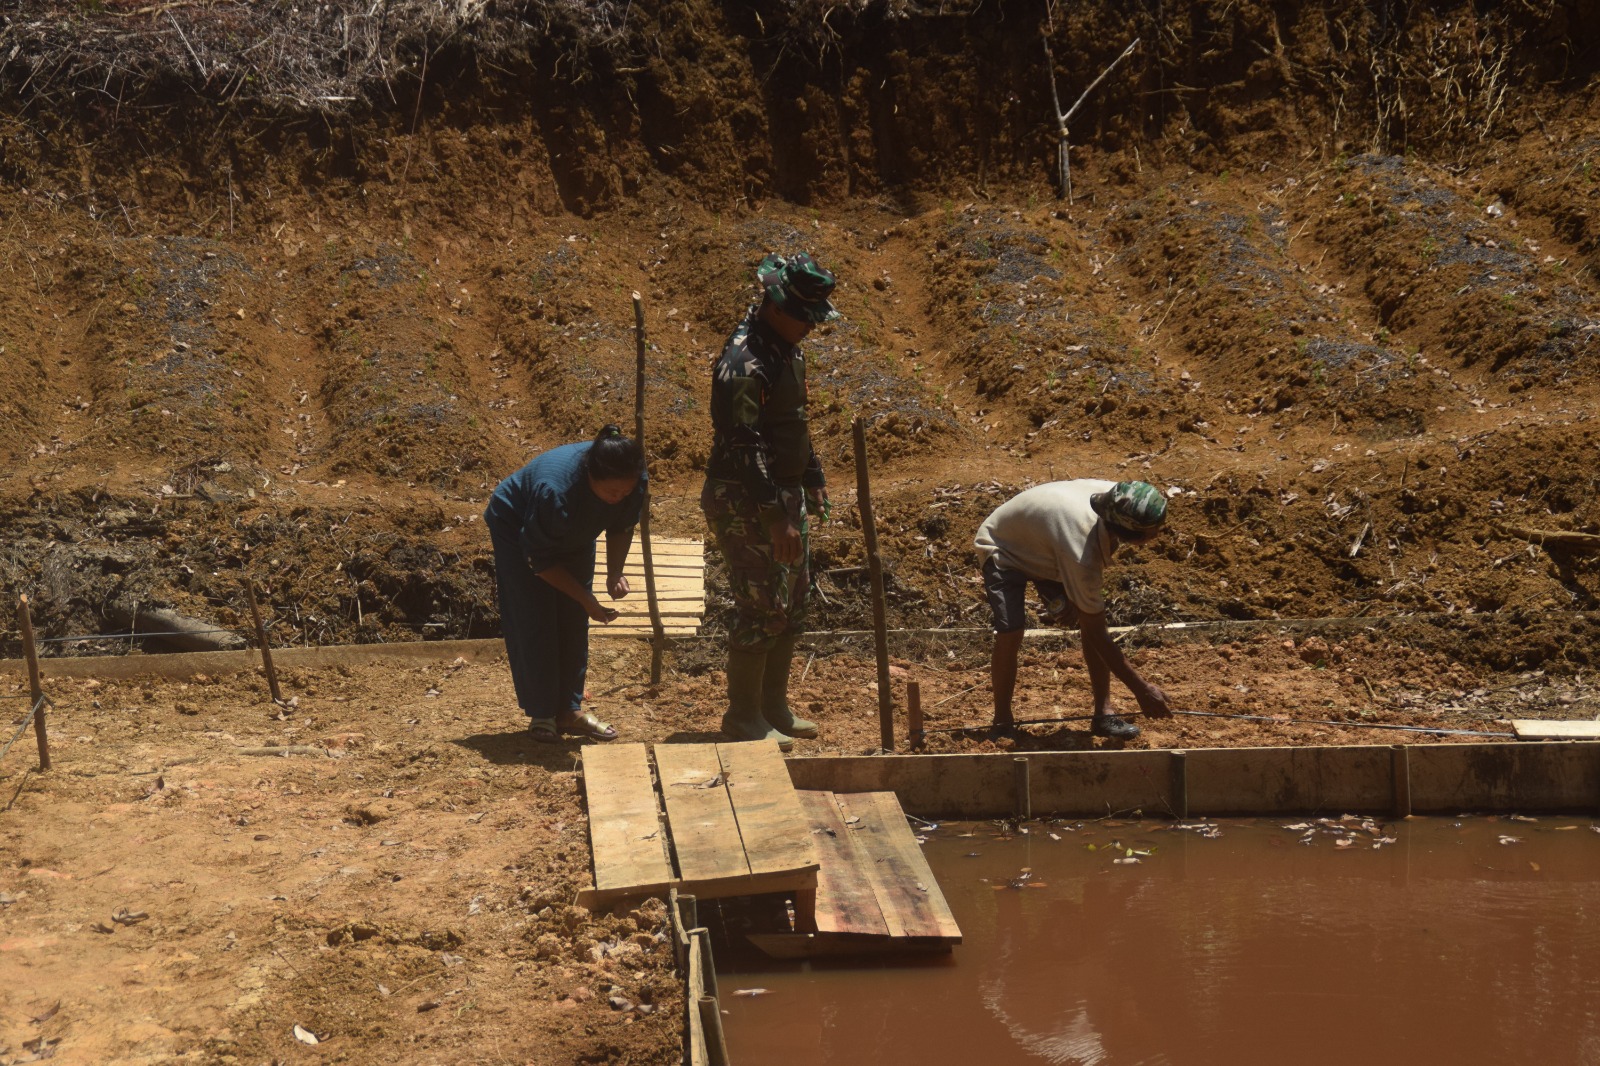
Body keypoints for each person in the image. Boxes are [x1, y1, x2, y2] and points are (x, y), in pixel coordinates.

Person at [702, 252, 839, 752]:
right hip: (746, 499)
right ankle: (743, 714)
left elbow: (790, 422)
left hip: (781, 494)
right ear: (778, 306)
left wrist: (811, 475)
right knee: (760, 605)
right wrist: (774, 514)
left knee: (792, 602)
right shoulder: (744, 363)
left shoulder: (786, 348)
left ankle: (773, 706)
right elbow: (743, 445)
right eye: (806, 317)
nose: (811, 327)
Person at [975, 479, 1174, 741]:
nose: (1158, 535)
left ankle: (1104, 714)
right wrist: (1141, 689)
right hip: (1003, 545)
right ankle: (1002, 721)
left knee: (1086, 613)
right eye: (1152, 532)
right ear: (1130, 532)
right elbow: (1097, 633)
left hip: (1045, 541)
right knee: (1011, 630)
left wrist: (1076, 600)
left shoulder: (1126, 498)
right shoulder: (1081, 551)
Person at [484, 425, 646, 741]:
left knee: (572, 618)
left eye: (624, 493)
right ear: (590, 477)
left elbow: (622, 524)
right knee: (536, 614)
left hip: (573, 526)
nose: (618, 499)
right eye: (611, 493)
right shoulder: (555, 490)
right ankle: (543, 713)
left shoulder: (631, 477)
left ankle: (570, 711)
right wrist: (587, 598)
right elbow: (540, 561)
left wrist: (615, 572)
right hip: (518, 525)